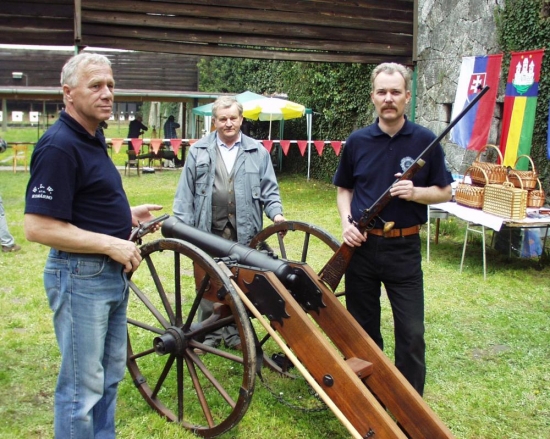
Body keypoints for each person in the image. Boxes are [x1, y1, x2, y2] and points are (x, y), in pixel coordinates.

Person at [23, 52, 163, 439]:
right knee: (81, 390)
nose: (107, 94)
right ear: (68, 93)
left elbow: (79, 201)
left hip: (106, 273)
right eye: (96, 86)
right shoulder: (59, 145)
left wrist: (124, 215)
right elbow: (37, 226)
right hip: (80, 276)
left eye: (111, 86)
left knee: (108, 378)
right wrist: (110, 244)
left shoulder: (91, 136)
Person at [333, 62, 452, 396]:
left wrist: (416, 192)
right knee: (362, 331)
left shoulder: (425, 141)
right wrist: (346, 223)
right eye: (382, 92)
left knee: (412, 333)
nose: (388, 98)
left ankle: (409, 406)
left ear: (407, 97)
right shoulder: (357, 141)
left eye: (395, 92)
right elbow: (344, 189)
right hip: (361, 249)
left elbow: (445, 191)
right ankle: (370, 399)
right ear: (373, 96)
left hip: (404, 249)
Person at [173, 95, 286, 352]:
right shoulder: (199, 151)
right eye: (222, 119)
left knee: (241, 281)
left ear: (241, 119)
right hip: (208, 229)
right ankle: (208, 336)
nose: (228, 123)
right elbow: (185, 194)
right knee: (207, 281)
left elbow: (269, 190)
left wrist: (277, 215)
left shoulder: (257, 151)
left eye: (233, 118)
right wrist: (182, 229)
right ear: (214, 121)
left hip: (245, 231)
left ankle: (235, 333)